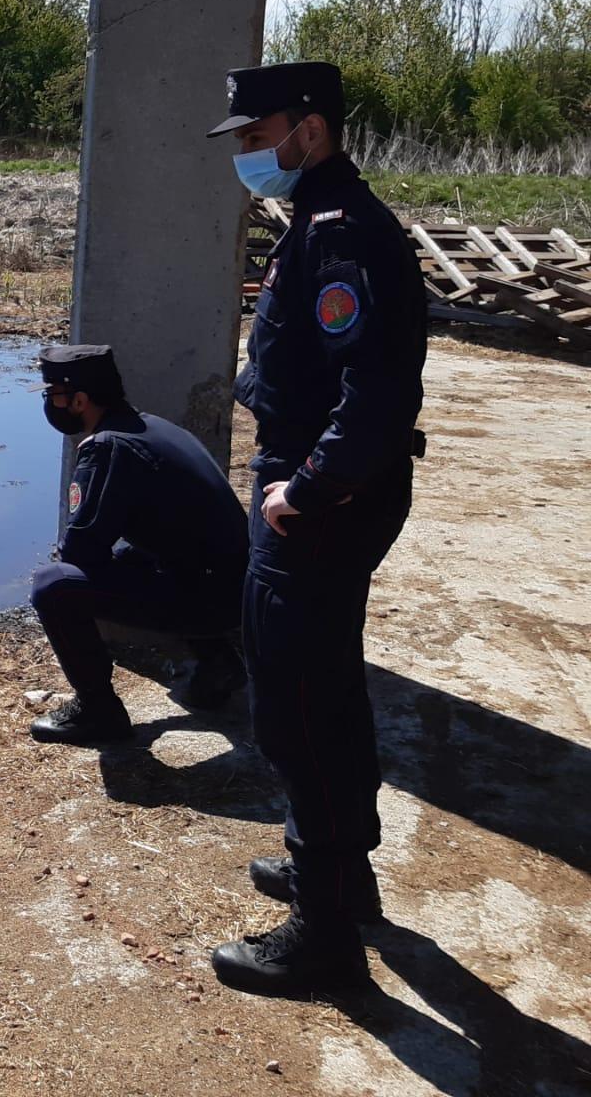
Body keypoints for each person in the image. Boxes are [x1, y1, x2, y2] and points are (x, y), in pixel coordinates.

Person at [206, 59, 427, 997]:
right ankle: (339, 874)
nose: (249, 156)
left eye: (257, 139)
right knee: (323, 685)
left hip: (318, 502)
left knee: (298, 704)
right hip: (322, 492)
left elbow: (375, 388)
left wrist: (309, 488)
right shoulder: (322, 221)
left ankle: (325, 935)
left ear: (309, 129)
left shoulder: (341, 234)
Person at [28, 344, 249, 745]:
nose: (50, 404)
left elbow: (79, 551)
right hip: (232, 585)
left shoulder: (108, 446)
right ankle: (218, 662)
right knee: (140, 551)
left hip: (213, 597)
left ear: (79, 400)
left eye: (54, 396)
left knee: (53, 585)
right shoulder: (150, 426)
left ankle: (99, 712)